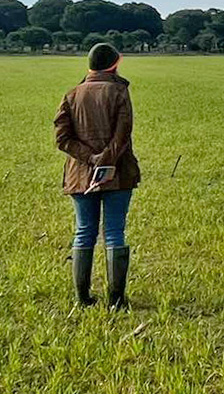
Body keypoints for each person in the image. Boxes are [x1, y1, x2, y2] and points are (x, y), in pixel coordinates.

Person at [53, 43, 141, 309]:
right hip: (117, 174)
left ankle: (83, 299)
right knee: (114, 233)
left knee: (84, 232)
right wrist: (105, 161)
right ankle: (116, 300)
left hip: (80, 175)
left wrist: (90, 159)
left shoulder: (71, 94)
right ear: (115, 63)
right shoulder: (119, 91)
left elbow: (62, 139)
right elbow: (122, 134)